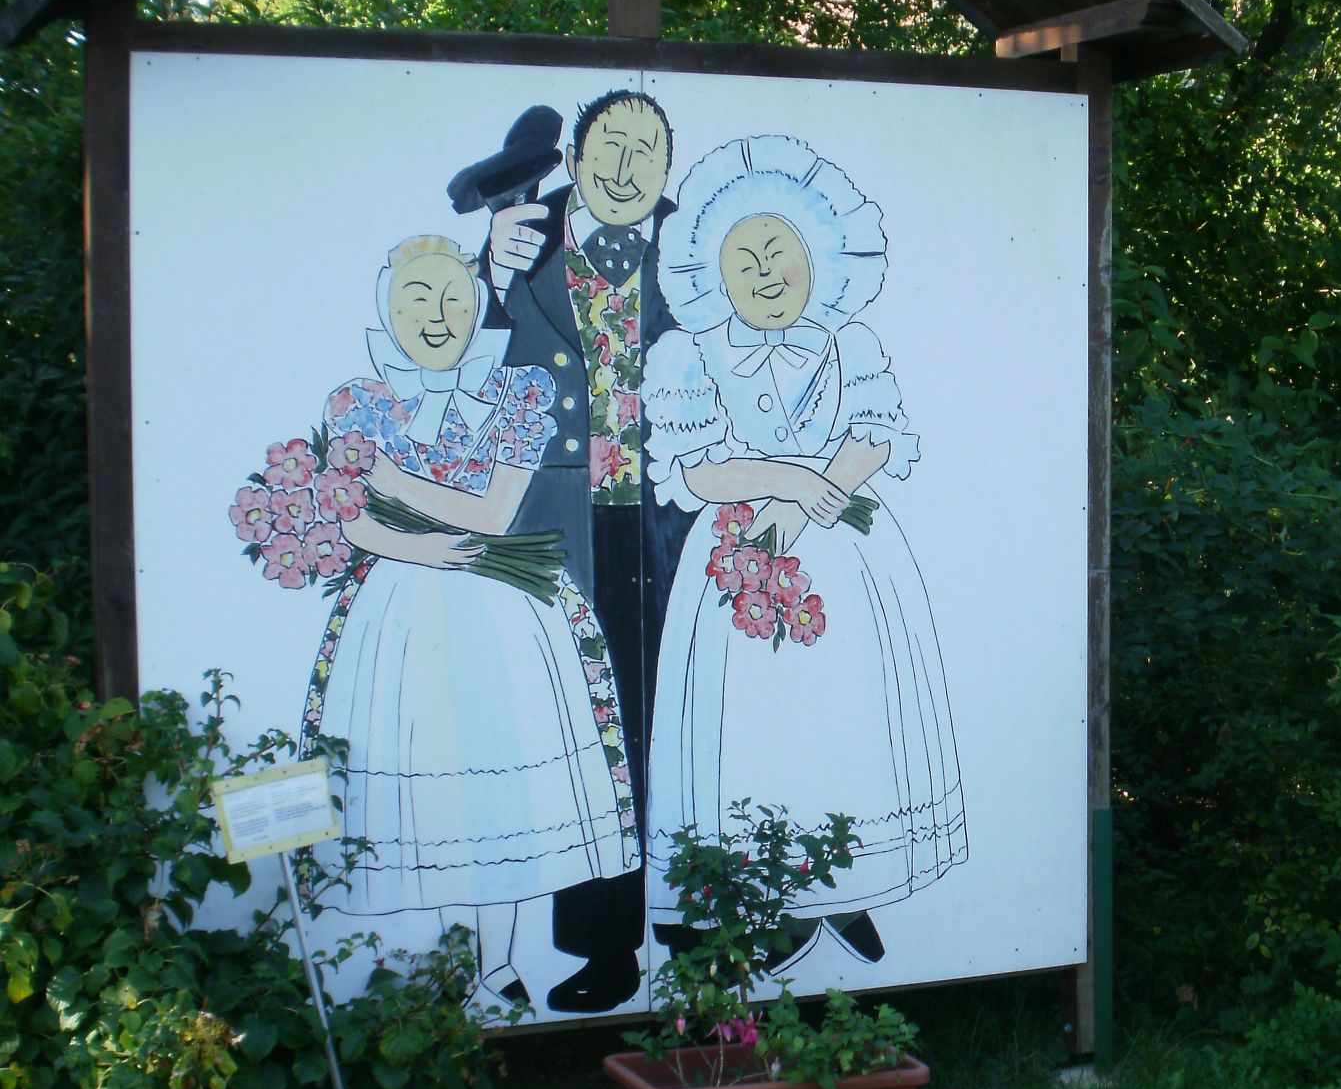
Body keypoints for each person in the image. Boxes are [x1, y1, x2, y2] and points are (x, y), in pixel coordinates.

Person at [640, 134, 967, 965]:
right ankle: (769, 897)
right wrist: (788, 482)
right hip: (738, 553)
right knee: (754, 727)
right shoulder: (689, 355)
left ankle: (846, 885)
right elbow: (699, 468)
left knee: (846, 720)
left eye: (777, 250)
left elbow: (876, 435)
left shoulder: (850, 345)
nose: (761, 271)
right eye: (741, 257)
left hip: (848, 557)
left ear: (817, 257)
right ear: (712, 275)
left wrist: (818, 497)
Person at [303, 235, 636, 1000]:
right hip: (401, 606)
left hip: (498, 606)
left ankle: (499, 961)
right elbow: (346, 515)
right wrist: (410, 546)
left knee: (500, 775)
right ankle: (431, 957)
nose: (436, 314)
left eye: (454, 297)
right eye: (415, 298)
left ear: (479, 306)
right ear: (387, 310)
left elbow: (493, 510)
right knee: (420, 774)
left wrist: (390, 478)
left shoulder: (517, 393)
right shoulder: (358, 401)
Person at [477, 89, 688, 1012]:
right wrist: (489, 273)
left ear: (666, 169)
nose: (625, 162)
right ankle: (605, 949)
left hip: (665, 521)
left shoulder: (690, 251)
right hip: (561, 524)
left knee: (674, 723)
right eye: (610, 142)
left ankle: (698, 928)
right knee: (583, 736)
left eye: (648, 147)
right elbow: (451, 345)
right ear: (576, 155)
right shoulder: (520, 239)